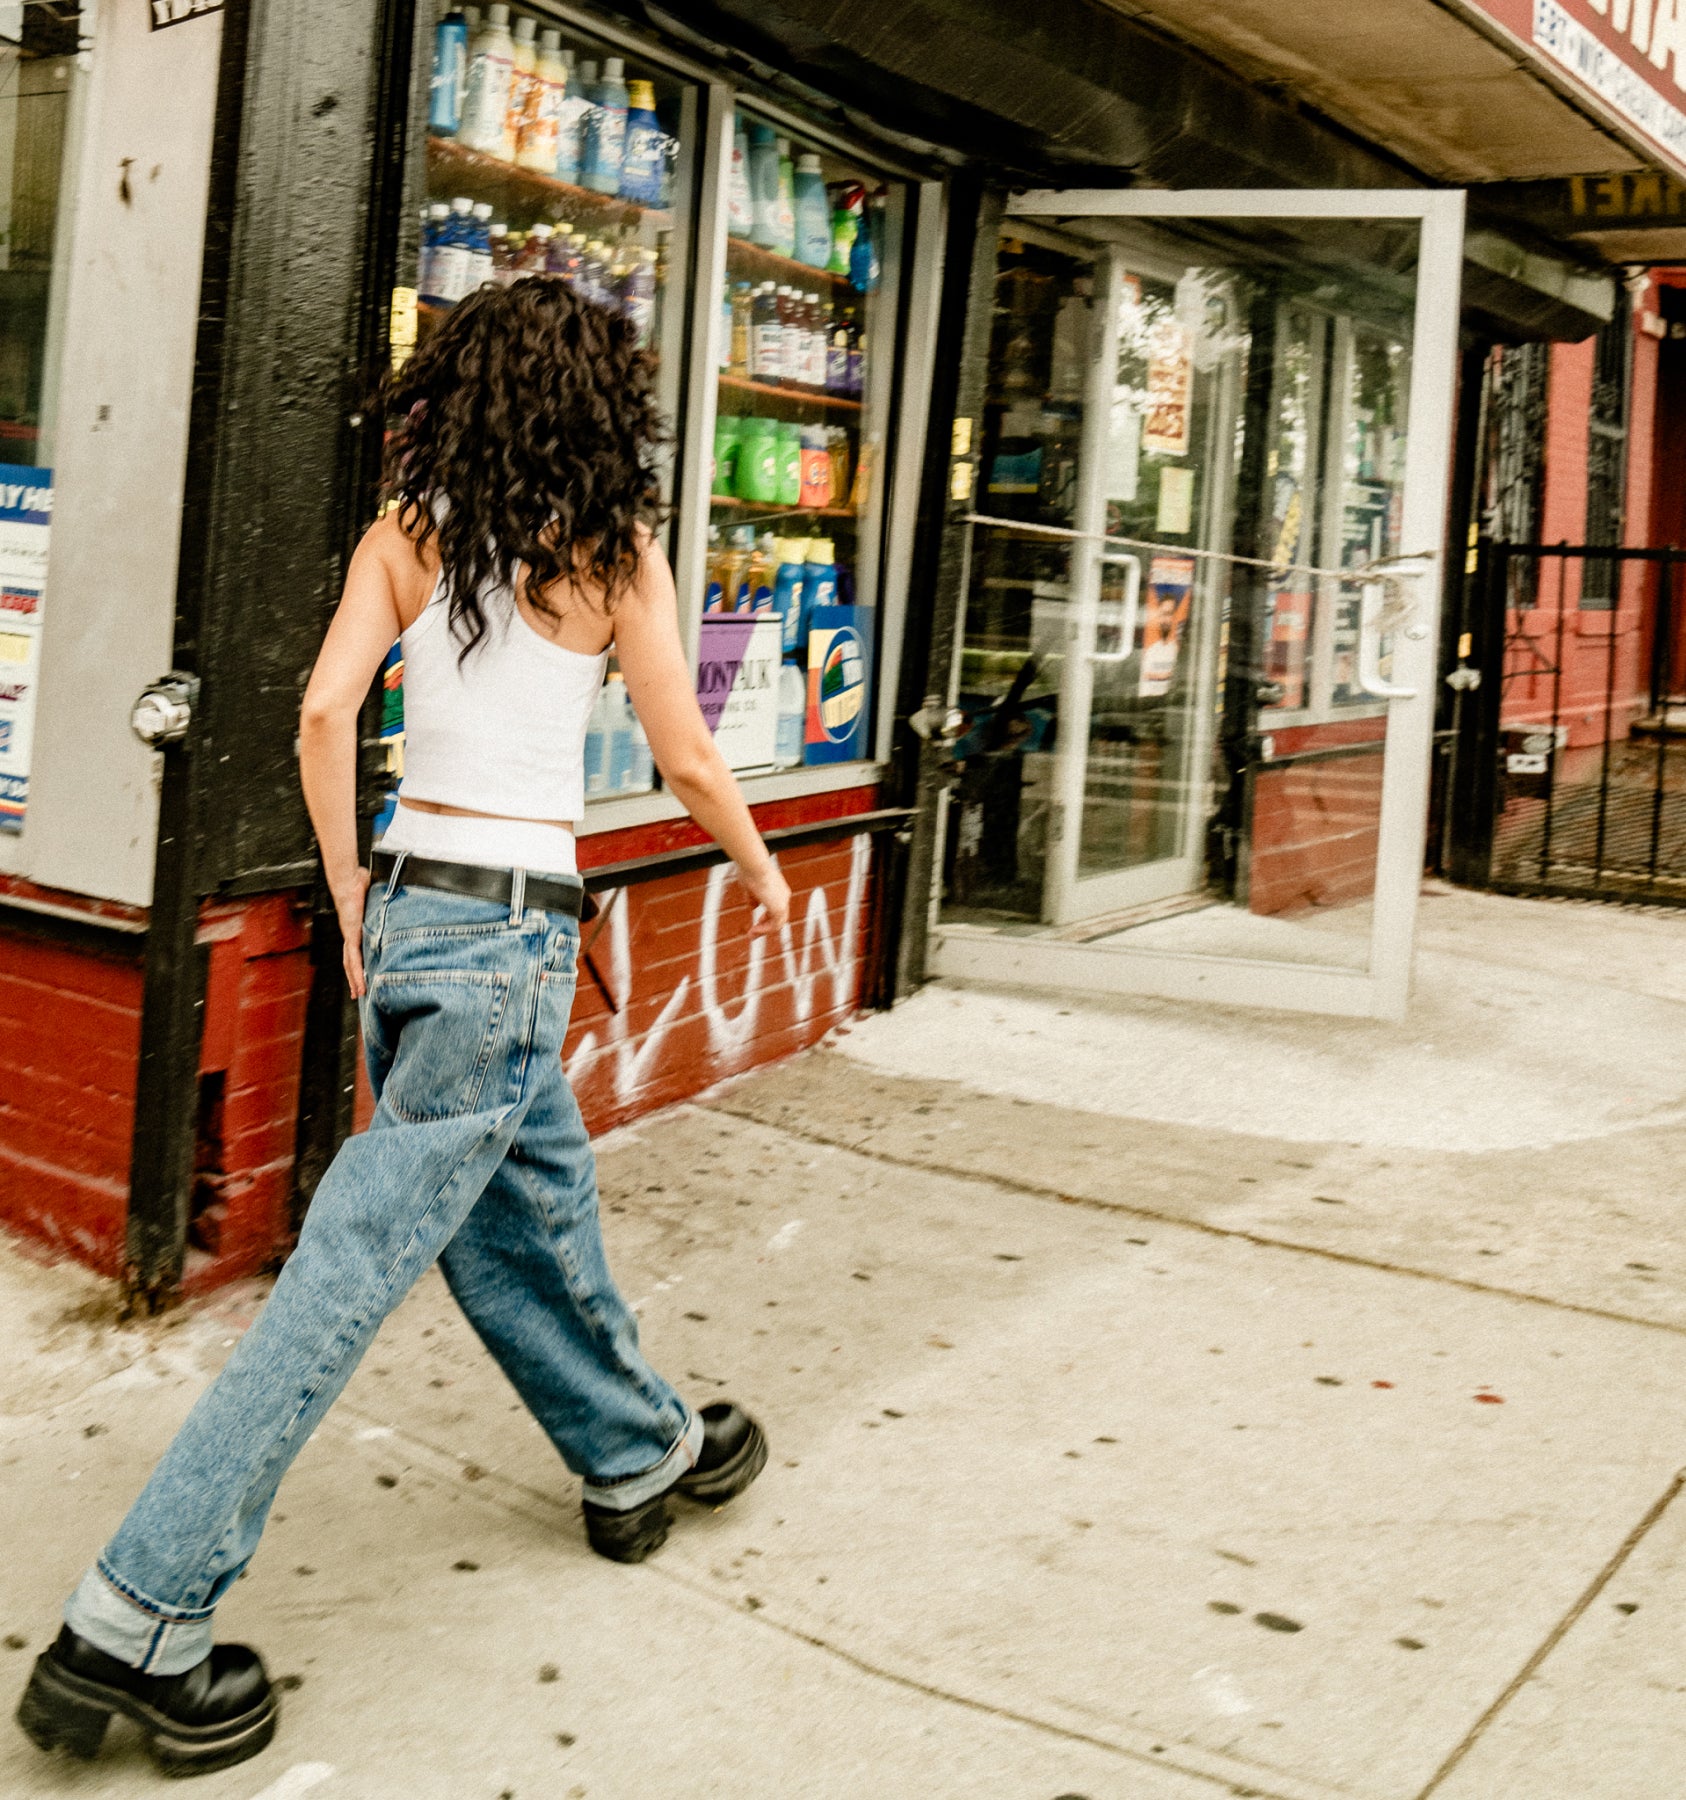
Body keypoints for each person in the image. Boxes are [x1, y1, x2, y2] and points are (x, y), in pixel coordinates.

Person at [17, 276, 790, 1778]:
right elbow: (687, 758)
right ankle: (136, 1619)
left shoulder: (405, 533)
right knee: (343, 1275)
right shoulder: (613, 547)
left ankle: (634, 1451)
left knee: (528, 1205)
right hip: (512, 932)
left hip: (422, 914)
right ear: (594, 406)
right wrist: (757, 869)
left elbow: (321, 718)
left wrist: (354, 894)